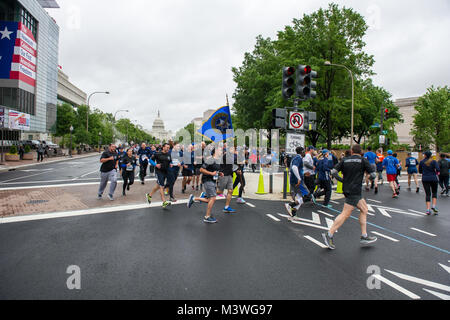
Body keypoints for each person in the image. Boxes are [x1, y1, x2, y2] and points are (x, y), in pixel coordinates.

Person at [322, 144, 377, 250]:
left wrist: (342, 180)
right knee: (345, 214)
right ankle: (329, 234)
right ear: (360, 152)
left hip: (347, 189)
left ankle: (364, 236)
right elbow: (373, 175)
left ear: (351, 151)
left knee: (364, 209)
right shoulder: (363, 160)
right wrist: (368, 178)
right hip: (355, 190)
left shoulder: (345, 160)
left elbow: (333, 172)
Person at [187, 148, 222, 223]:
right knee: (213, 198)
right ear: (215, 152)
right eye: (220, 150)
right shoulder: (210, 160)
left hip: (212, 181)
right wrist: (211, 173)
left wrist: (219, 174)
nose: (221, 151)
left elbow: (215, 171)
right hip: (207, 180)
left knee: (209, 200)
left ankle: (194, 198)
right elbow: (201, 170)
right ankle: (207, 217)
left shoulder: (218, 161)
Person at [284, 146, 310, 218]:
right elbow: (294, 168)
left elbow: (295, 168)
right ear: (301, 152)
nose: (305, 152)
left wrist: (304, 173)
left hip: (294, 180)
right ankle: (290, 205)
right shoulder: (298, 158)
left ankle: (293, 213)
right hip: (298, 181)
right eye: (304, 151)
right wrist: (299, 178)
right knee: (307, 196)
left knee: (299, 199)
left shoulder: (295, 158)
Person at [145, 143, 172, 209]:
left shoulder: (169, 154)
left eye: (169, 147)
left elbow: (169, 161)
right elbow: (150, 160)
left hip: (165, 171)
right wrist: (155, 165)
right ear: (163, 147)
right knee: (161, 186)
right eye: (167, 147)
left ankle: (149, 195)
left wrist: (171, 164)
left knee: (158, 185)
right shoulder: (157, 154)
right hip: (159, 172)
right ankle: (164, 202)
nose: (168, 149)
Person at [419, 151, 440, 215]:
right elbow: (438, 169)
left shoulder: (422, 162)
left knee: (428, 194)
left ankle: (428, 209)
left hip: (425, 178)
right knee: (434, 192)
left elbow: (420, 171)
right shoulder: (434, 161)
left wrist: (425, 172)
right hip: (433, 178)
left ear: (425, 155)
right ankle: (433, 206)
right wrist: (435, 173)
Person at [217, 146, 236, 213]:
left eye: (234, 149)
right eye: (232, 149)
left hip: (230, 175)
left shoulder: (231, 156)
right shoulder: (226, 155)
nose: (234, 150)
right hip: (224, 175)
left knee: (230, 191)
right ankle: (205, 194)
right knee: (220, 192)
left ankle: (226, 207)